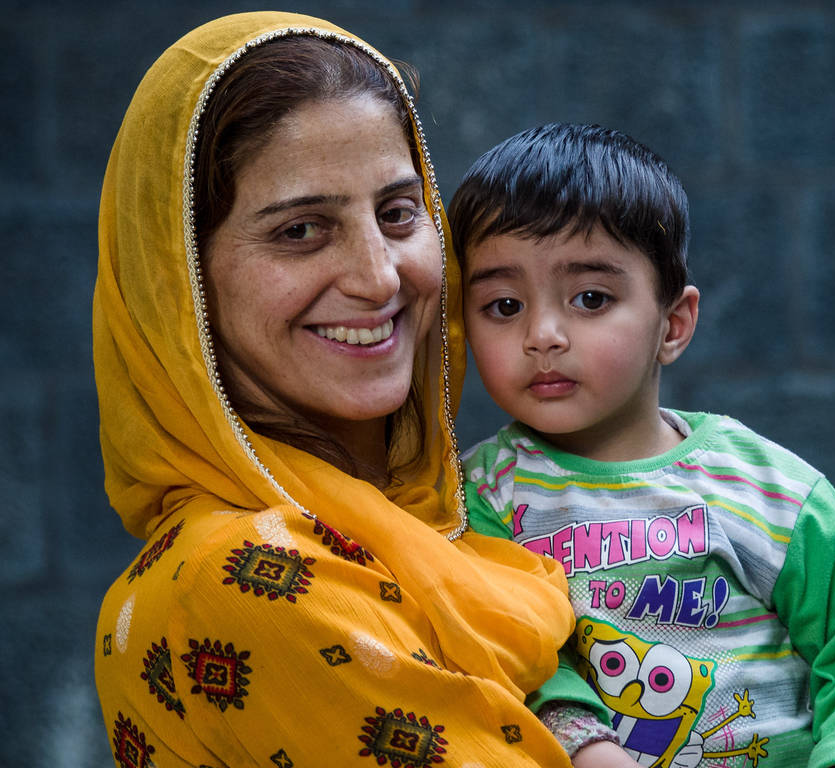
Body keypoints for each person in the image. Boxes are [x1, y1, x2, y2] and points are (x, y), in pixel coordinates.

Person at [93, 13, 605, 767]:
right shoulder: (243, 578)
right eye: (301, 231)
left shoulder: (460, 517)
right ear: (179, 283)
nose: (379, 276)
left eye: (399, 214)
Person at [451, 123, 835, 768]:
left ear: (672, 324)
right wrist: (585, 745)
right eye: (504, 305)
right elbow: (502, 646)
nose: (542, 334)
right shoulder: (481, 495)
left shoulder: (767, 489)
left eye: (590, 299)